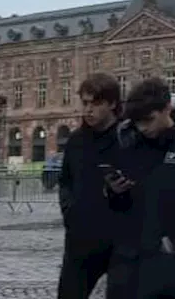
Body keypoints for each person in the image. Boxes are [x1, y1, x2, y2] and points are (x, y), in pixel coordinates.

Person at [105, 78, 175, 299]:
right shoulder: (130, 142)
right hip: (126, 258)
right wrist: (113, 191)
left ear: (167, 108)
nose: (143, 128)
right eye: (137, 122)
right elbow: (120, 205)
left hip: (170, 258)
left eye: (149, 120)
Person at [57, 73, 123, 299]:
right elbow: (65, 181)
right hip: (80, 240)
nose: (88, 110)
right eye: (85, 103)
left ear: (112, 103)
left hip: (119, 242)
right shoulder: (76, 141)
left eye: (95, 103)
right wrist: (69, 212)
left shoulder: (127, 138)